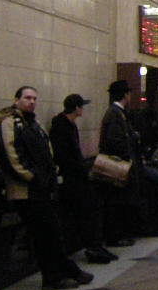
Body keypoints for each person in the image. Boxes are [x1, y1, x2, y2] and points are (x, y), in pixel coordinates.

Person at [0, 87, 93, 290]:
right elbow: (10, 156)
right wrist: (32, 177)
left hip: (42, 187)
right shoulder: (10, 124)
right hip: (25, 190)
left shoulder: (35, 124)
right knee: (43, 234)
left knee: (53, 231)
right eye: (27, 98)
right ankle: (53, 276)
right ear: (16, 100)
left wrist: (51, 173)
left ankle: (65, 270)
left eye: (34, 98)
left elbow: (47, 151)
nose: (31, 102)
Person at [49, 94, 115, 265]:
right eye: (81, 106)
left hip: (74, 175)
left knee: (91, 208)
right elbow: (65, 155)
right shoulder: (62, 127)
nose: (82, 110)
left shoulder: (67, 125)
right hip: (71, 178)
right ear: (77, 108)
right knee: (91, 208)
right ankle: (93, 247)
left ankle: (94, 246)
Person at [98, 79, 141, 247]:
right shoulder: (115, 114)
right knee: (117, 202)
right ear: (125, 94)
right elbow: (116, 142)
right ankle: (115, 236)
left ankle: (118, 234)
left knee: (119, 202)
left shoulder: (116, 113)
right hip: (118, 167)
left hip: (120, 164)